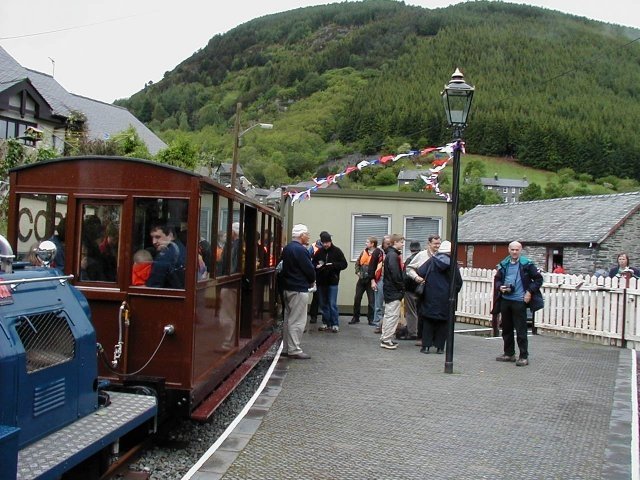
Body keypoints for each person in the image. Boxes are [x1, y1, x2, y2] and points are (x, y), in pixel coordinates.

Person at [494, 241, 543, 367]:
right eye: (512, 249)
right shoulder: (504, 264)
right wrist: (500, 288)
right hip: (505, 300)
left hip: (519, 301)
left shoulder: (527, 264)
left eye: (517, 250)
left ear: (521, 250)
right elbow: (497, 279)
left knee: (521, 330)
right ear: (508, 250)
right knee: (506, 329)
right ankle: (509, 353)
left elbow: (538, 279)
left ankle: (523, 356)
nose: (514, 252)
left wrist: (529, 292)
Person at [416, 240, 463, 354]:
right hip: (446, 297)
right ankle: (440, 347)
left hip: (430, 295)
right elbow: (458, 282)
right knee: (443, 322)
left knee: (428, 321)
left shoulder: (432, 260)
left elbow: (421, 271)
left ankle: (426, 346)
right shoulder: (452, 263)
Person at [280, 224, 316, 359]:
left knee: (288, 319)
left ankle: (286, 347)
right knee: (298, 320)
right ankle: (294, 349)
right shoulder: (301, 250)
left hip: (287, 287)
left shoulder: (287, 248)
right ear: (301, 236)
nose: (308, 236)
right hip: (299, 289)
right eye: (307, 234)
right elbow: (309, 270)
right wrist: (312, 280)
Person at [406, 234, 441, 344]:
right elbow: (409, 268)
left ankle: (435, 338)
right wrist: (416, 277)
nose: (437, 246)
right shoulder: (421, 255)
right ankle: (421, 337)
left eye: (439, 243)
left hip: (437, 291)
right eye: (435, 243)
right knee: (422, 313)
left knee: (436, 314)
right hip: (423, 289)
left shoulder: (442, 256)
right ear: (429, 244)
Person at [313, 231, 348, 333]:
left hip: (333, 281)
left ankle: (335, 324)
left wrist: (333, 265)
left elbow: (344, 264)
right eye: (323, 242)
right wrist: (317, 266)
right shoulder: (319, 252)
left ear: (330, 241)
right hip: (321, 281)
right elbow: (313, 262)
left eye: (327, 242)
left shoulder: (337, 251)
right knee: (323, 304)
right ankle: (325, 323)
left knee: (332, 303)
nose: (325, 244)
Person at [379, 234, 405, 349]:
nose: (403, 244)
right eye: (401, 242)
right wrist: (401, 287)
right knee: (392, 315)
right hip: (394, 290)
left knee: (388, 314)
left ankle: (385, 337)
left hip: (390, 289)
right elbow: (395, 274)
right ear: (395, 243)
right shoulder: (393, 256)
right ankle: (386, 339)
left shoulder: (389, 254)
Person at [146, 223, 187, 289]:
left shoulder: (165, 256)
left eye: (158, 237)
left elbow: (153, 287)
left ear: (170, 235)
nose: (154, 242)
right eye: (152, 237)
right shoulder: (180, 247)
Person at [349, 236, 377, 325]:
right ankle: (355, 317)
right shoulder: (363, 252)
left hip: (370, 280)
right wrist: (357, 272)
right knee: (357, 298)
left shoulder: (377, 254)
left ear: (372, 244)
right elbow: (357, 263)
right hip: (361, 280)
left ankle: (371, 319)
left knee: (371, 300)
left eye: (367, 242)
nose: (366, 243)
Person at [400, 240, 422, 340]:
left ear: (410, 249)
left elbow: (405, 276)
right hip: (422, 289)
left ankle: (412, 332)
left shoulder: (410, 260)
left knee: (411, 312)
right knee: (419, 311)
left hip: (410, 289)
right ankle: (420, 331)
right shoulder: (423, 259)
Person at [370, 235, 391, 333]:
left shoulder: (393, 252)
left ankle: (386, 325)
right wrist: (373, 280)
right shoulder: (377, 252)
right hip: (380, 278)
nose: (388, 245)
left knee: (389, 305)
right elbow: (372, 267)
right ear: (383, 243)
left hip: (390, 280)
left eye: (390, 244)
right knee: (378, 303)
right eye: (387, 243)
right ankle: (378, 324)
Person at [307, 236, 323, 323]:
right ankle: (313, 315)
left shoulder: (328, 247)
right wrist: (314, 266)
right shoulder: (312, 247)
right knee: (316, 295)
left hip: (324, 274)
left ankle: (319, 315)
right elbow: (308, 260)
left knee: (321, 296)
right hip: (316, 273)